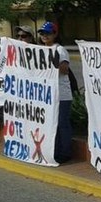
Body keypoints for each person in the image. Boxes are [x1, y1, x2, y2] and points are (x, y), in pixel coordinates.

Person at [37, 21, 73, 164]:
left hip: (62, 95)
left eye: (48, 33)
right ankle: (55, 150)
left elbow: (64, 70)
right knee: (52, 124)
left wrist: (48, 65)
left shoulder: (60, 50)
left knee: (62, 123)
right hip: (48, 95)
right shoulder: (39, 50)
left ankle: (65, 152)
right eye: (42, 33)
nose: (45, 36)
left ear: (55, 34)